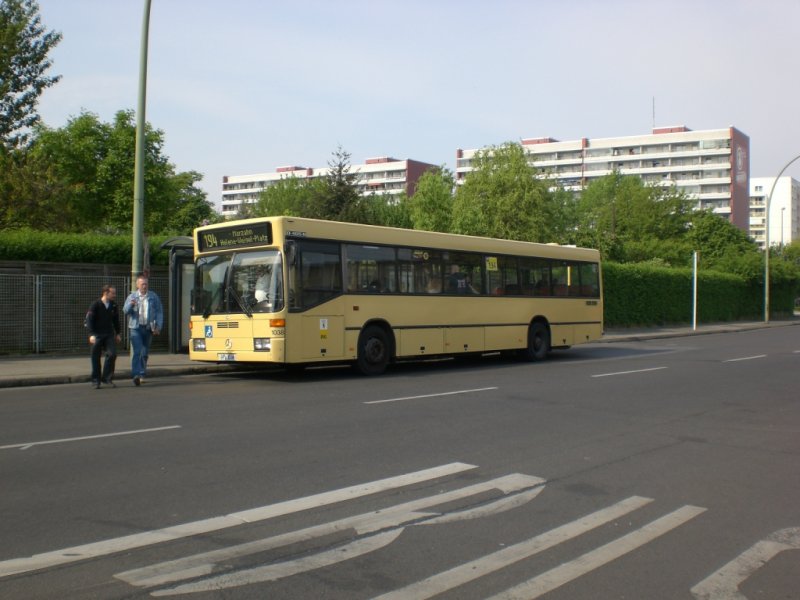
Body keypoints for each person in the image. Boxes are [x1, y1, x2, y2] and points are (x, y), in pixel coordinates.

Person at [123, 275, 164, 386]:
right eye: (142, 284)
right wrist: (131, 305)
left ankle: (142, 373)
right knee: (137, 352)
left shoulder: (153, 297)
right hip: (135, 328)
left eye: (146, 284)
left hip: (148, 328)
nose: (144, 286)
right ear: (137, 285)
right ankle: (136, 374)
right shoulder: (132, 297)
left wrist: (158, 327)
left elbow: (159, 312)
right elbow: (125, 311)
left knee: (144, 353)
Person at [86, 285, 121, 389]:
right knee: (95, 356)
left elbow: (116, 320)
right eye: (113, 293)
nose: (115, 295)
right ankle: (96, 380)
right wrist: (91, 334)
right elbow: (89, 320)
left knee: (112, 354)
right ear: (106, 293)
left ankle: (107, 378)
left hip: (109, 334)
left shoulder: (113, 305)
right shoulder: (95, 305)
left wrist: (118, 333)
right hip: (97, 334)